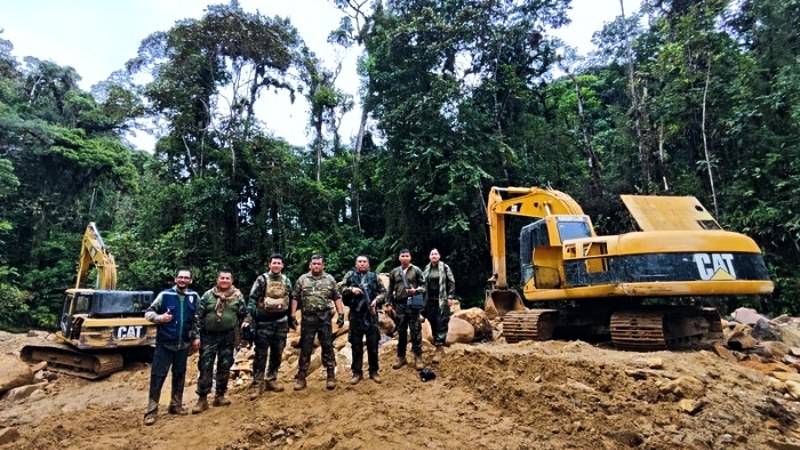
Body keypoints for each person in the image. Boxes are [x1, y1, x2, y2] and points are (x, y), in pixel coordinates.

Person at [143, 268, 200, 426]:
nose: (183, 280)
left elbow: (197, 318)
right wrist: (160, 318)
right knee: (158, 377)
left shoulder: (193, 296)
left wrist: (196, 337)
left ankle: (176, 405)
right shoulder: (165, 295)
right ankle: (151, 411)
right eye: (180, 277)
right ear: (175, 279)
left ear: (190, 280)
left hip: (183, 345)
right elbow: (148, 313)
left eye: (186, 278)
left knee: (179, 375)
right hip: (165, 344)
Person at [192, 269, 248, 414]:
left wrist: (244, 331)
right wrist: (196, 336)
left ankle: (220, 395)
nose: (224, 280)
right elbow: (198, 316)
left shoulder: (237, 296)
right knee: (205, 366)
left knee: (225, 365)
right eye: (222, 278)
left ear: (232, 281)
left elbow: (244, 314)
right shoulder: (207, 296)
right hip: (208, 336)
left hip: (228, 336)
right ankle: (202, 398)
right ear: (217, 280)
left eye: (227, 278)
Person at [291, 254, 344, 391]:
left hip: (324, 317)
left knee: (327, 346)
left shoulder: (329, 279)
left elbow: (337, 297)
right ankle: (301, 377)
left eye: (319, 264)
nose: (316, 266)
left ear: (323, 265)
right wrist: (292, 314)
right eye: (314, 264)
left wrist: (341, 314)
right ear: (310, 265)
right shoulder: (303, 279)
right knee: (306, 347)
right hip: (308, 318)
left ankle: (331, 376)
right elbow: (295, 297)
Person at [246, 253, 293, 397]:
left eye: (279, 263)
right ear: (269, 264)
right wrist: (250, 318)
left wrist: (291, 317)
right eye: (274, 263)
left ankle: (272, 378)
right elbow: (252, 299)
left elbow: (290, 298)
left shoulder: (286, 280)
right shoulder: (262, 280)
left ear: (282, 265)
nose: (276, 265)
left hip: (281, 322)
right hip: (263, 322)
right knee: (261, 353)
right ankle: (257, 383)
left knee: (277, 352)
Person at [340, 255, 386, 385]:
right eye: (359, 262)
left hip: (370, 314)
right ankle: (357, 372)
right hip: (355, 315)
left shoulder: (374, 277)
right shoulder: (350, 276)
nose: (362, 264)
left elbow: (384, 292)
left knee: (373, 345)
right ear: (356, 264)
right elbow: (340, 288)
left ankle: (374, 371)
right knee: (356, 345)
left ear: (368, 264)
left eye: (364, 261)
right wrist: (351, 289)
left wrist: (376, 300)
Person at [386, 248, 426, 370]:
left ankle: (418, 357)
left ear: (410, 258)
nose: (404, 258)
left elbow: (424, 286)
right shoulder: (394, 272)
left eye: (406, 256)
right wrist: (388, 303)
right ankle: (401, 357)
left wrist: (416, 290)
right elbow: (390, 288)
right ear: (399, 258)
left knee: (415, 331)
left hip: (413, 304)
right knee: (401, 331)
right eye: (402, 256)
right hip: (400, 305)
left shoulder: (416, 270)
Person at [422, 249, 455, 363]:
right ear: (429, 257)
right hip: (429, 300)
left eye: (436, 254)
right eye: (432, 254)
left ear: (439, 256)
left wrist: (450, 296)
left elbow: (451, 282)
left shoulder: (445, 267)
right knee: (432, 322)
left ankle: (439, 347)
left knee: (441, 322)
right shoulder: (426, 269)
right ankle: (437, 344)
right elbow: (422, 284)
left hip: (442, 300)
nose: (434, 256)